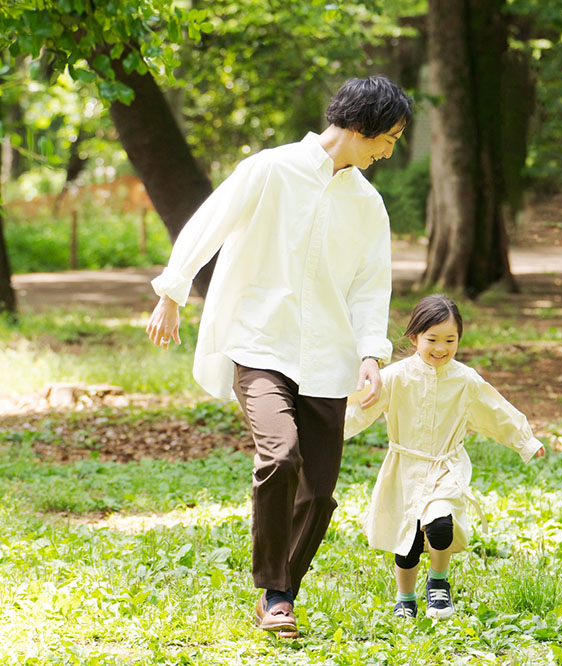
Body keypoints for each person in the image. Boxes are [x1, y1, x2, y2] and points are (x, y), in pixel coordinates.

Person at [144, 75, 414, 638]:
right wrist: (172, 290)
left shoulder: (368, 204)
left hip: (329, 357)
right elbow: (208, 222)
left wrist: (371, 354)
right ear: (360, 127)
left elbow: (371, 286)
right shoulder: (271, 169)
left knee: (319, 492)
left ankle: (282, 589)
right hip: (260, 343)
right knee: (280, 456)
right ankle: (275, 594)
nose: (389, 151)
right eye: (387, 138)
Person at [344, 294, 545, 620]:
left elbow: (495, 410)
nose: (441, 348)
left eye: (450, 340)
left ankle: (438, 583)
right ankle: (405, 598)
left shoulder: (465, 380)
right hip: (404, 467)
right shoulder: (396, 377)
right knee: (407, 542)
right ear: (414, 338)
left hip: (446, 466)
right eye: (432, 339)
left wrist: (524, 440)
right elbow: (360, 409)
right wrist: (324, 435)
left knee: (439, 524)